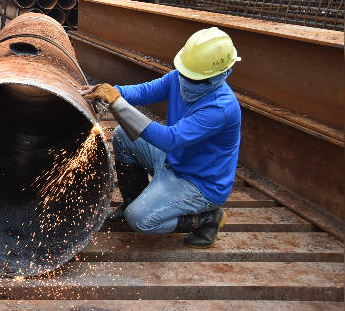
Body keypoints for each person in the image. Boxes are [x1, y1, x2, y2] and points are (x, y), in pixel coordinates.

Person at [81, 27, 241, 248]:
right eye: (185, 75)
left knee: (141, 220)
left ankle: (206, 219)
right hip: (175, 159)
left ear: (222, 75)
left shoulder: (220, 108)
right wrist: (112, 91)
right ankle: (131, 201)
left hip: (198, 184)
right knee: (123, 136)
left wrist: (117, 104)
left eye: (194, 79)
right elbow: (146, 92)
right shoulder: (181, 77)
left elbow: (169, 139)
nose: (187, 82)